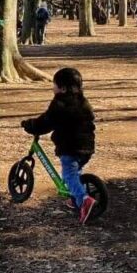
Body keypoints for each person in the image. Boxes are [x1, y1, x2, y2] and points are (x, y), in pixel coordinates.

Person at [21, 67, 98, 225]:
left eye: (54, 84)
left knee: (68, 175)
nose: (53, 88)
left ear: (62, 88)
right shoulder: (82, 101)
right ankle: (74, 196)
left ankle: (83, 200)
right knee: (75, 171)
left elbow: (45, 122)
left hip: (70, 146)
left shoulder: (60, 104)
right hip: (87, 146)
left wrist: (30, 125)